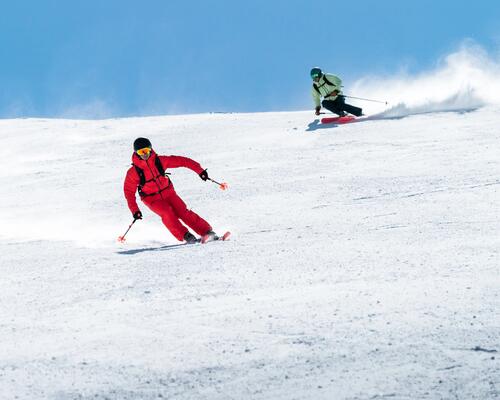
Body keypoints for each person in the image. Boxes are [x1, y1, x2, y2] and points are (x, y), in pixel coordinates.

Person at [123, 137, 215, 244]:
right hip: (151, 199)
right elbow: (129, 193)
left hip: (169, 193)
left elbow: (183, 161)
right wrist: (135, 210)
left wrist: (200, 171)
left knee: (183, 211)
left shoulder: (160, 161)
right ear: (136, 153)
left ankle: (207, 232)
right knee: (166, 212)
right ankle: (186, 236)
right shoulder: (133, 172)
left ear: (151, 149)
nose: (145, 154)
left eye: (147, 150)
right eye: (141, 152)